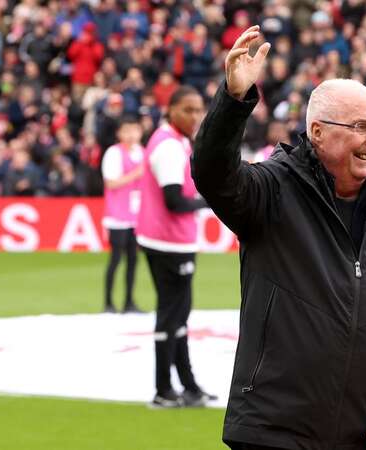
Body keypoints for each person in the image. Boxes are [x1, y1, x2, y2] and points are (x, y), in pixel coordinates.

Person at [192, 26, 366, 450]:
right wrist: (233, 102)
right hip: (275, 433)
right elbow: (213, 176)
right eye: (361, 126)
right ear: (318, 132)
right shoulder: (272, 191)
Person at [135, 85, 214, 408]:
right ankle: (163, 389)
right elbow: (174, 200)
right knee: (172, 315)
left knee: (178, 315)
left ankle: (187, 385)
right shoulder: (169, 146)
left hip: (166, 239)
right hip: (168, 242)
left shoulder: (173, 140)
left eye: (199, 110)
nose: (195, 116)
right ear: (171, 110)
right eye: (189, 110)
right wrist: (211, 200)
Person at [101, 117, 144, 314]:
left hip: (136, 216)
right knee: (116, 258)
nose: (130, 135)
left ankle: (129, 301)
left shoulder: (141, 153)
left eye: (134, 130)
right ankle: (109, 302)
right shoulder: (114, 153)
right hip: (118, 215)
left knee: (133, 259)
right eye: (126, 131)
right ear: (119, 133)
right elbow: (111, 183)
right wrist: (137, 174)